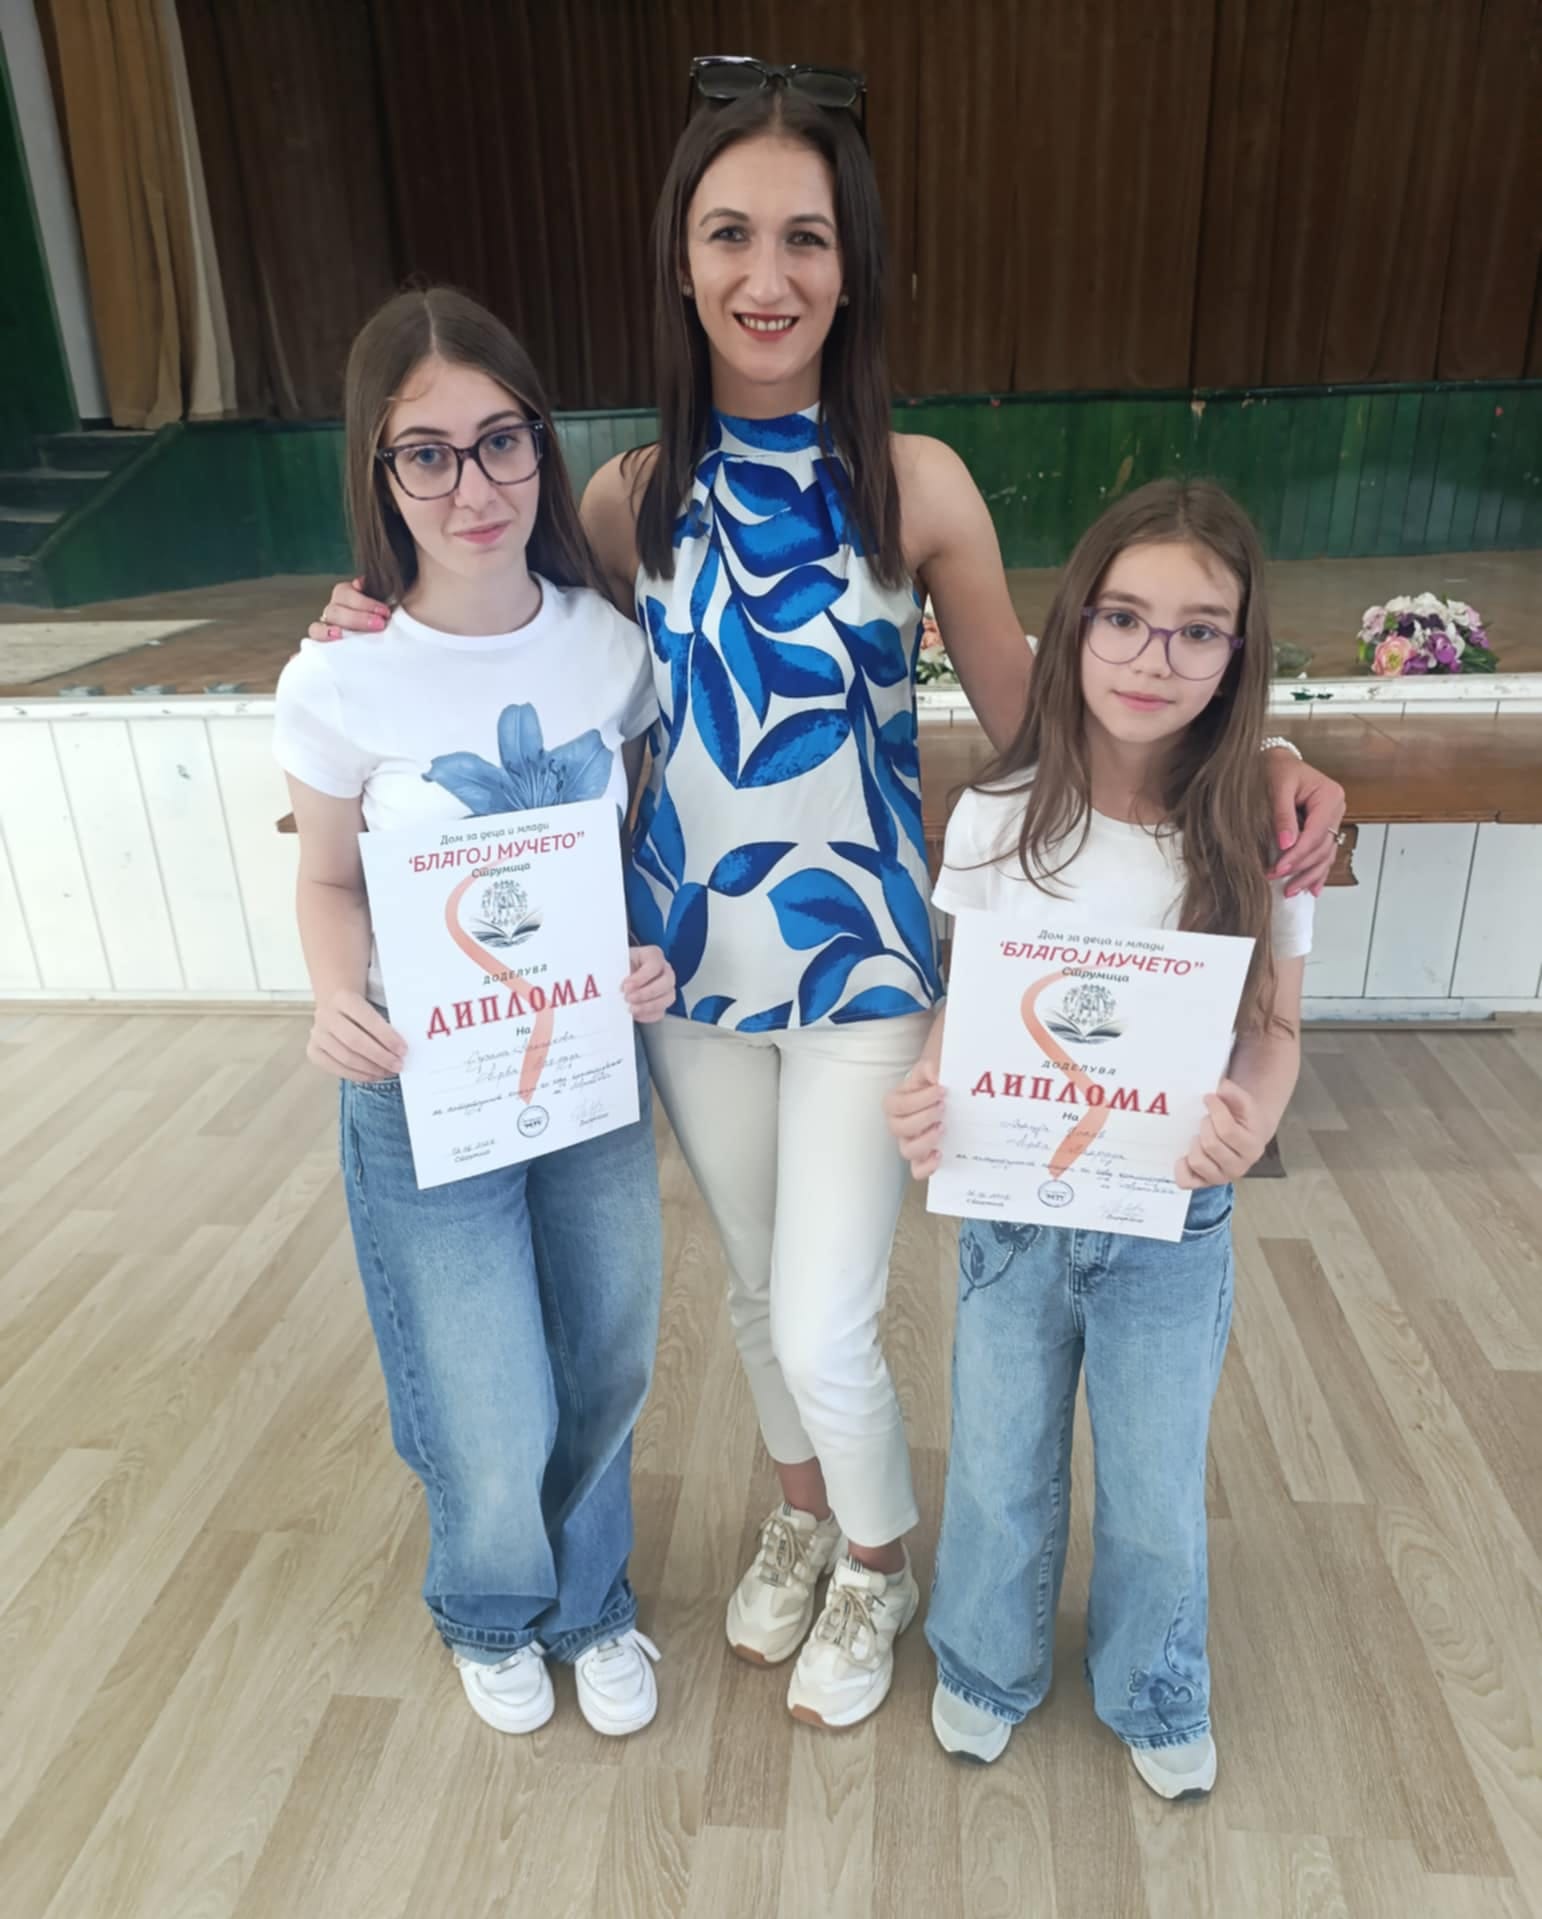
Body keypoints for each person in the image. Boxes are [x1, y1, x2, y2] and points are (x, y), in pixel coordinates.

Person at [311, 64, 1346, 1731]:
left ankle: (878, 1559)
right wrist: (361, 618)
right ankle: (801, 1517)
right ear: (681, 260)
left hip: (863, 963)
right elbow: (495, 637)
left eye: (804, 237)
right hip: (680, 966)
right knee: (747, 1289)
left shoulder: (915, 483)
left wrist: (1268, 747)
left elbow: (1048, 723)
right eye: (728, 233)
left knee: (823, 1320)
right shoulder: (621, 497)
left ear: (851, 266)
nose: (766, 273)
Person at [275, 287, 675, 1741]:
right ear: (378, 471)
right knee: (484, 1384)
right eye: (427, 454)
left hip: (586, 1069)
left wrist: (647, 960)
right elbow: (328, 879)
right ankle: (493, 1604)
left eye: (502, 441)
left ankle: (590, 1597)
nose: (474, 486)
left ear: (542, 446)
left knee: (609, 1348)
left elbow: (637, 860)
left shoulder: (611, 650)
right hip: (420, 1083)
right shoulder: (340, 678)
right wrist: (336, 994)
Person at [886, 478, 1311, 1797]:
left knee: (1154, 1481)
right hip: (1013, 1214)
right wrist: (930, 1086)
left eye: (1198, 630)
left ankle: (1154, 1683)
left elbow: (1275, 1031)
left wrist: (1251, 1121)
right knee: (996, 1463)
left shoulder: (1255, 834)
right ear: (1072, 626)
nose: (1152, 656)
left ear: (1237, 652)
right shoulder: (1001, 816)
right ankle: (982, 1663)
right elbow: (967, 1006)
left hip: (1171, 1221)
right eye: (1122, 618)